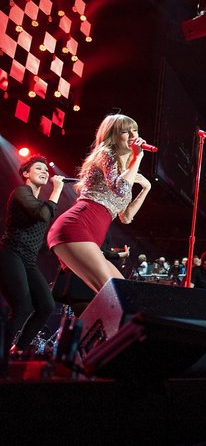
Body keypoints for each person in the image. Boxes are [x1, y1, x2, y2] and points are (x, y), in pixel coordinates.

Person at [47, 114, 151, 293]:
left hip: (91, 234)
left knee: (125, 292)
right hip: (76, 225)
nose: (134, 136)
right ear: (113, 136)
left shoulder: (125, 171)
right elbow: (120, 189)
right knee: (115, 294)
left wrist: (145, 188)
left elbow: (126, 217)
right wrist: (138, 157)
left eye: (135, 130)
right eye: (126, 131)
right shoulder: (105, 153)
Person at [0, 156, 64, 352]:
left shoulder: (39, 203)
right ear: (26, 174)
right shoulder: (21, 192)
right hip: (10, 254)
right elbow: (43, 214)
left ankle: (18, 349)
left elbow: (39, 239)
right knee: (23, 307)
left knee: (46, 305)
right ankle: (2, 352)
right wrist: (57, 190)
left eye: (47, 169)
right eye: (39, 168)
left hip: (28, 259)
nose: (45, 172)